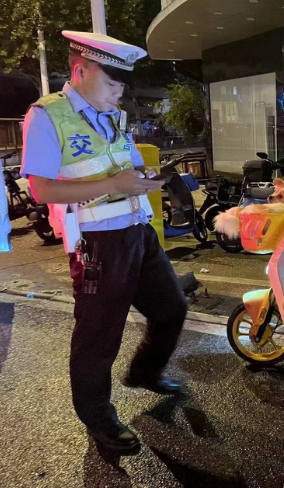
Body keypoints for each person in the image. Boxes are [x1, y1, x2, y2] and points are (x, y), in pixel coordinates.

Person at [20, 31, 187, 453]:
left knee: (171, 308)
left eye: (122, 86)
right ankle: (98, 418)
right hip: (97, 242)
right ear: (81, 70)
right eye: (112, 83)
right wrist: (114, 183)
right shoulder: (46, 115)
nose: (118, 93)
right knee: (98, 337)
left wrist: (148, 178)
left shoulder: (113, 116)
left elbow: (127, 164)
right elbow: (41, 189)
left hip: (138, 231)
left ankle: (144, 372)